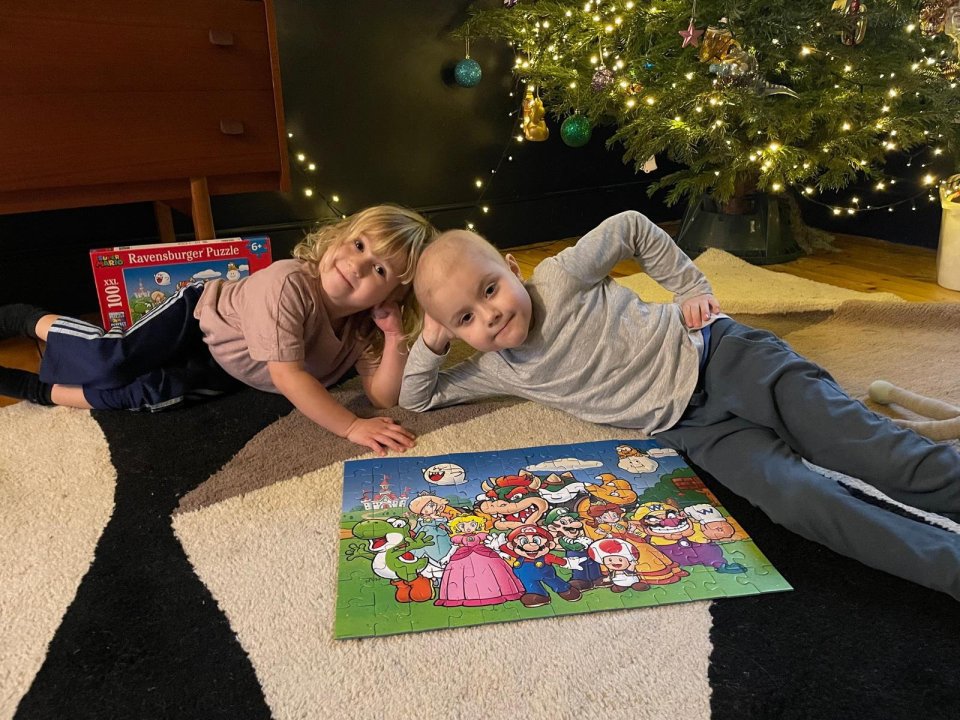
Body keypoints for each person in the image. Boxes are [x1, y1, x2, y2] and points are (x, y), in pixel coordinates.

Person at [399, 210, 960, 600]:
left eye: (490, 289)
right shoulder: (499, 367)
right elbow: (417, 398)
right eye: (465, 318)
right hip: (696, 432)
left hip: (723, 356)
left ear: (514, 268)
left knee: (865, 449)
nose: (489, 315)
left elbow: (632, 228)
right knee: (797, 500)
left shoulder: (559, 276)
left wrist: (689, 287)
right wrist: (431, 340)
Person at [0, 204, 437, 455]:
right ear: (340, 237)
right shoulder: (287, 282)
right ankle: (24, 318)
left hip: (232, 366)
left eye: (379, 268)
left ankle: (35, 390)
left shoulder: (364, 327)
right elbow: (288, 376)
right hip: (199, 319)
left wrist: (396, 338)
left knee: (148, 397)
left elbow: (383, 397)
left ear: (392, 296)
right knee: (111, 360)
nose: (357, 264)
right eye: (358, 245)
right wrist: (349, 427)